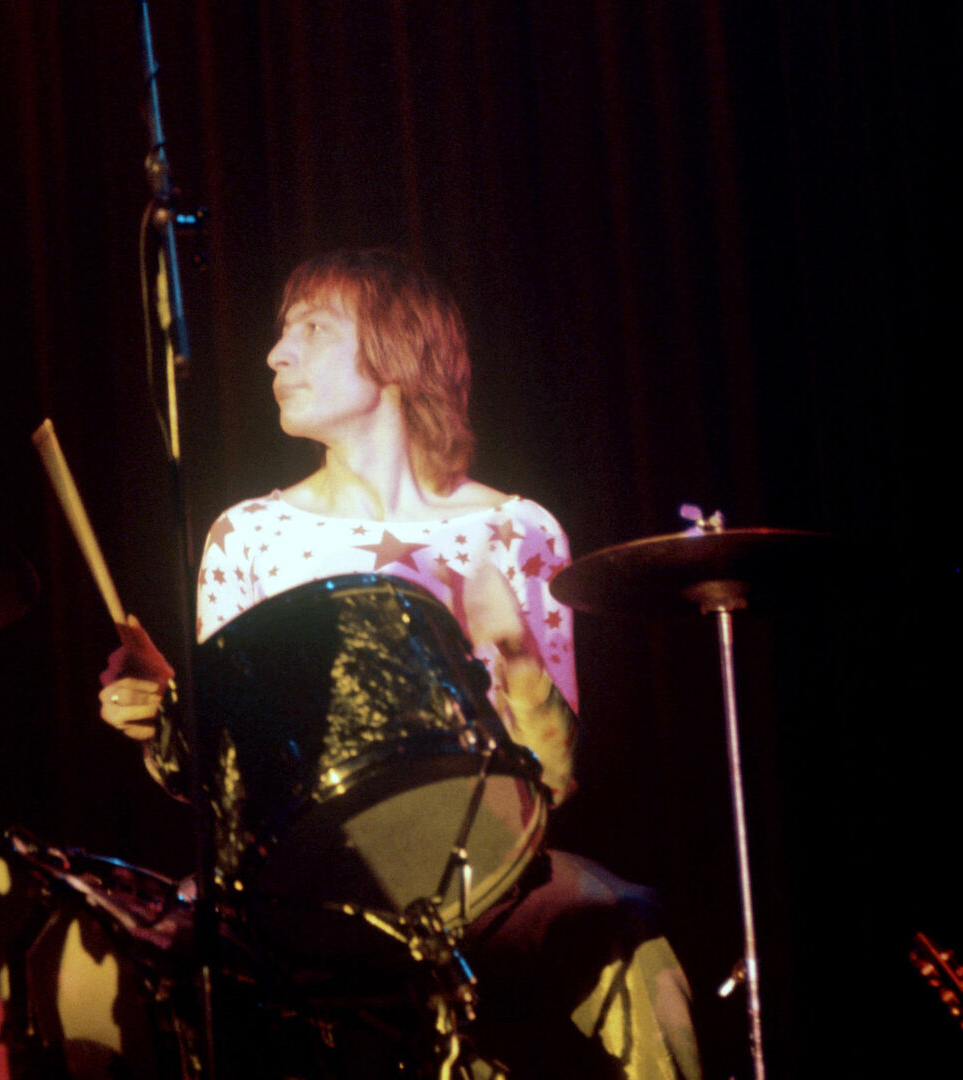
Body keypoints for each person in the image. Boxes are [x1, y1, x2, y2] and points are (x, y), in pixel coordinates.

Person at [99, 249, 701, 1079]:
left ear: (397, 346)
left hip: (484, 879)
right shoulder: (248, 536)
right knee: (154, 959)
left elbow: (556, 781)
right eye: (281, 333)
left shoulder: (520, 531)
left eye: (311, 329)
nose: (277, 354)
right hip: (304, 888)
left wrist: (517, 651)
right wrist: (163, 718)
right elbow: (217, 793)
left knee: (623, 925)